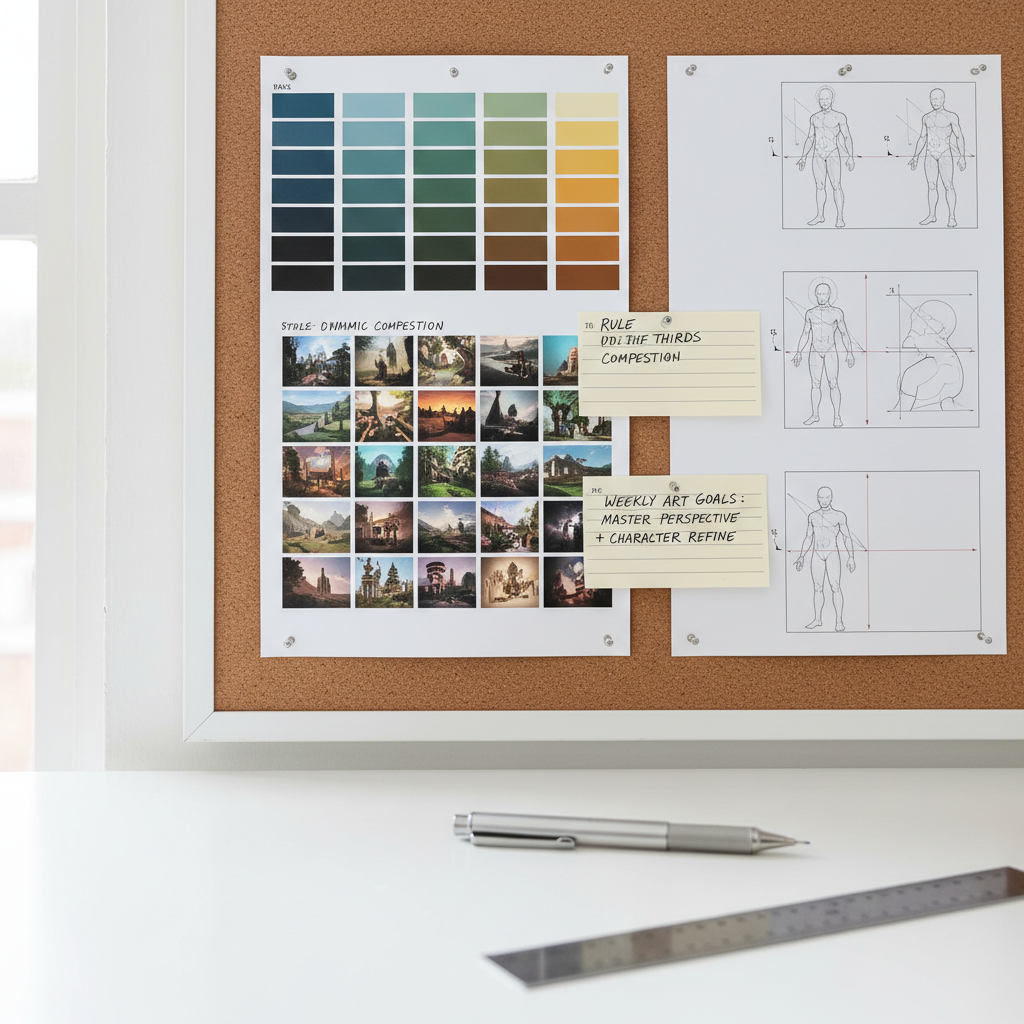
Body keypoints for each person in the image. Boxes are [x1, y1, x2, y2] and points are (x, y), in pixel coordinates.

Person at [792, 282, 856, 426]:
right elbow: (805, 333)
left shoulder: (836, 313)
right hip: (815, 351)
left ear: (829, 295)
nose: (821, 297)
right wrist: (798, 352)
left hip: (830, 351)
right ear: (815, 295)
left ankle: (837, 417)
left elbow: (845, 334)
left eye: (824, 294)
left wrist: (849, 353)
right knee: (815, 384)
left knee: (833, 383)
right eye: (819, 294)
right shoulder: (810, 313)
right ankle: (815, 415)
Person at [795, 486, 856, 632]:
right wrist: (802, 556)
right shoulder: (812, 516)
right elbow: (808, 537)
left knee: (835, 587)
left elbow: (847, 537)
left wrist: (851, 556)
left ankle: (839, 621)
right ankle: (817, 619)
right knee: (817, 587)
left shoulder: (839, 516)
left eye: (826, 497)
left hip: (832, 554)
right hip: (817, 554)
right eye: (821, 497)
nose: (823, 500)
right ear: (817, 498)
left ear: (831, 498)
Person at [797, 86, 855, 227]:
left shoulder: (839, 117)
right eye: (821, 99)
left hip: (832, 154)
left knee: (836, 185)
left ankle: (840, 218)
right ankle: (820, 216)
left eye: (827, 99)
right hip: (817, 155)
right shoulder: (814, 118)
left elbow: (847, 137)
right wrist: (803, 156)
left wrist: (850, 156)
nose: (824, 102)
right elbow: (810, 138)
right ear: (818, 100)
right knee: (819, 186)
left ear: (832, 99)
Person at [891, 300, 964, 411]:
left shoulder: (933, 364)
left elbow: (901, 410)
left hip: (943, 372)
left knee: (908, 380)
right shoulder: (946, 360)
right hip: (946, 388)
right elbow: (909, 341)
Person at [909, 88, 967, 227]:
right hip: (930, 154)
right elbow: (923, 138)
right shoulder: (926, 117)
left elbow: (959, 136)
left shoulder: (951, 116)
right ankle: (932, 215)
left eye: (937, 99)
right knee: (931, 185)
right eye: (932, 99)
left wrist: (962, 156)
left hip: (945, 154)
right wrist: (915, 156)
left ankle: (952, 217)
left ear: (943, 99)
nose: (935, 102)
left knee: (948, 185)